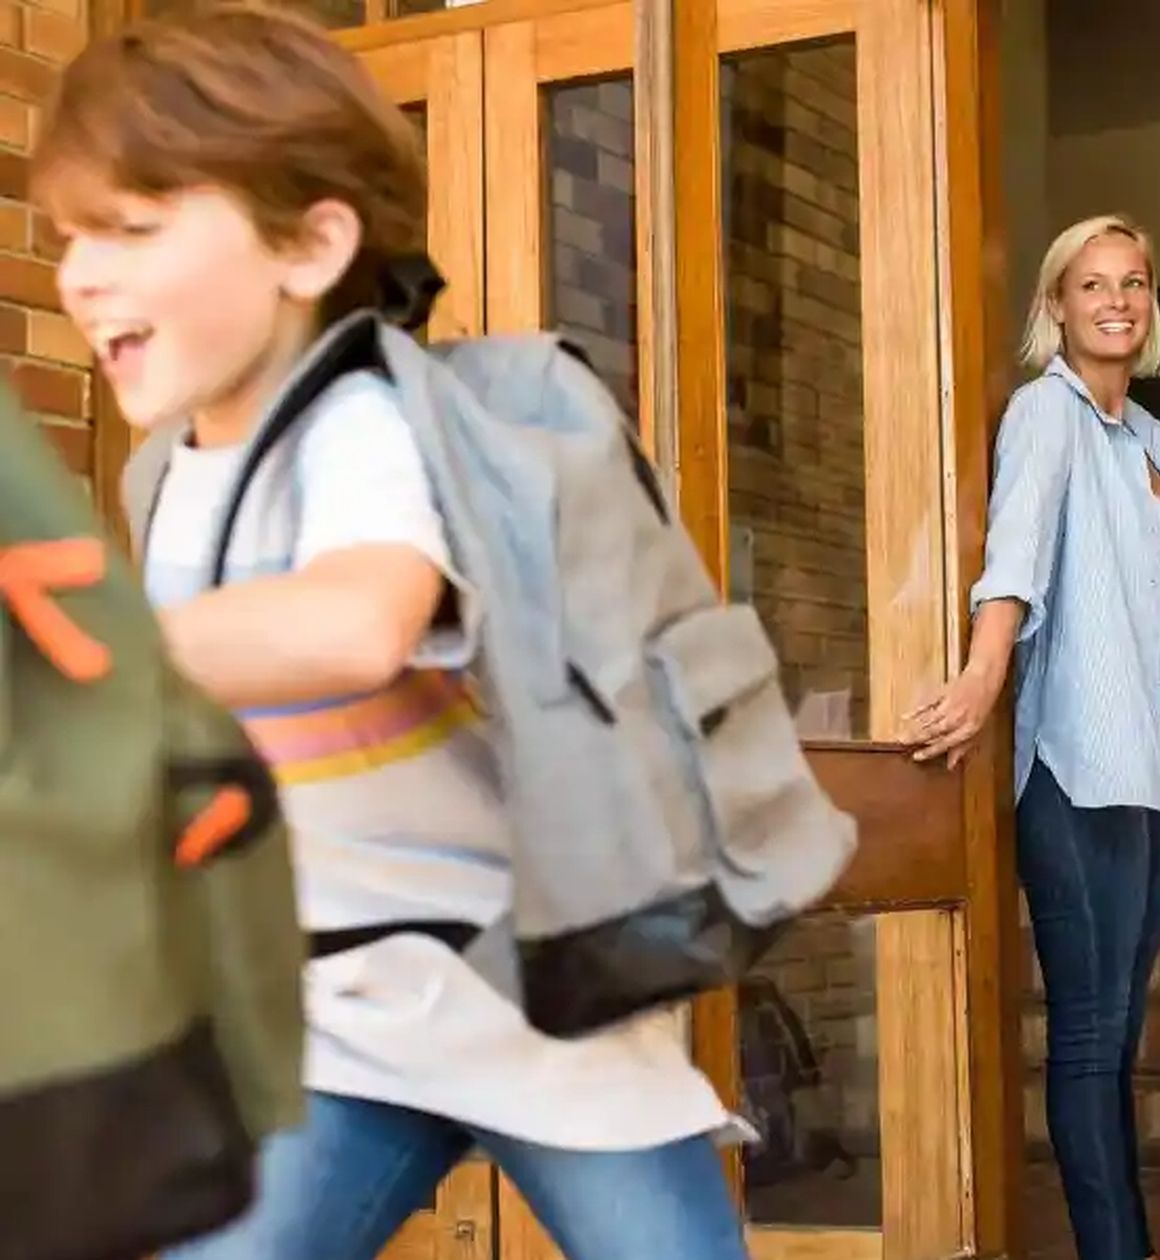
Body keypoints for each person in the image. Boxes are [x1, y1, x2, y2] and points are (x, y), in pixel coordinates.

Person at [34, 11, 747, 1257]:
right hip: (333, 1010)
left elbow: (361, 622)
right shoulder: (169, 479)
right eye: (69, 238)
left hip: (529, 1000)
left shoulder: (364, 421)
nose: (83, 274)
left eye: (134, 229)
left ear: (310, 245)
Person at [906, 214, 1160, 1260]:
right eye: (1091, 284)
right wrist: (981, 669)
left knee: (1119, 1042)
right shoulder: (1044, 416)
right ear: (1054, 305)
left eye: (1133, 283)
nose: (1115, 300)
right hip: (1072, 762)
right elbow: (1016, 553)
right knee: (1091, 1038)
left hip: (1144, 764)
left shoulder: (1145, 435)